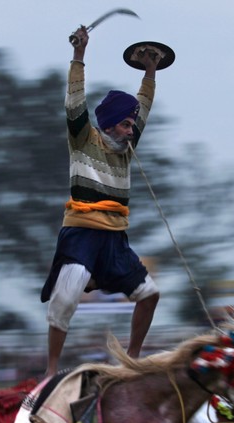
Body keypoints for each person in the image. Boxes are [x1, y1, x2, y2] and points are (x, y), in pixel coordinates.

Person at [40, 26, 161, 377]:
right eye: (125, 124)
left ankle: (132, 359)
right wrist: (79, 55)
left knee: (150, 295)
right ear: (108, 125)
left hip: (114, 239)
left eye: (131, 125)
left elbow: (145, 106)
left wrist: (150, 71)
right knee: (66, 298)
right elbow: (74, 100)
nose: (130, 129)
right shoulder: (83, 139)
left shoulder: (127, 149)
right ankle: (50, 371)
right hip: (81, 235)